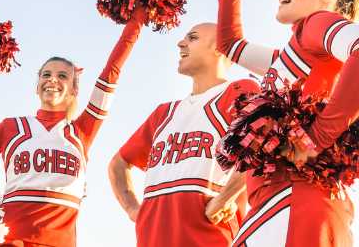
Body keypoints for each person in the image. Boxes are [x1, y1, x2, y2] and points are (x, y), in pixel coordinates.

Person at [216, 0, 359, 246]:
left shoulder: (316, 24)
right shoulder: (293, 54)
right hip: (281, 202)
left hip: (293, 201)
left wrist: (318, 137)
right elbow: (230, 44)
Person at [0, 10, 145, 247]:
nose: (52, 80)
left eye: (62, 76)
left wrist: (138, 17)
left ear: (74, 89)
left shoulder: (81, 131)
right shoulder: (12, 128)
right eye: (46, 75)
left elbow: (111, 73)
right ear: (36, 86)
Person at [109, 22, 260, 247]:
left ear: (219, 47)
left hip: (211, 239)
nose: (181, 43)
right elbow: (118, 164)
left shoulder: (239, 90)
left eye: (193, 38)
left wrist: (224, 198)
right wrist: (134, 210)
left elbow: (263, 141)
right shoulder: (163, 113)